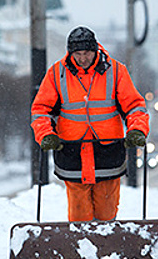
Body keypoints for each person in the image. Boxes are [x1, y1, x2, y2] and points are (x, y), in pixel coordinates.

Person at [31, 26, 149, 222]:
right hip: (72, 153)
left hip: (108, 153)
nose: (82, 58)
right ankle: (82, 249)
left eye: (86, 53)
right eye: (77, 54)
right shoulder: (56, 74)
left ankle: (105, 248)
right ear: (70, 53)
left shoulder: (117, 71)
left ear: (96, 50)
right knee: (78, 213)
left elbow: (134, 106)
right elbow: (40, 110)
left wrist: (137, 130)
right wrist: (45, 134)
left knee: (106, 211)